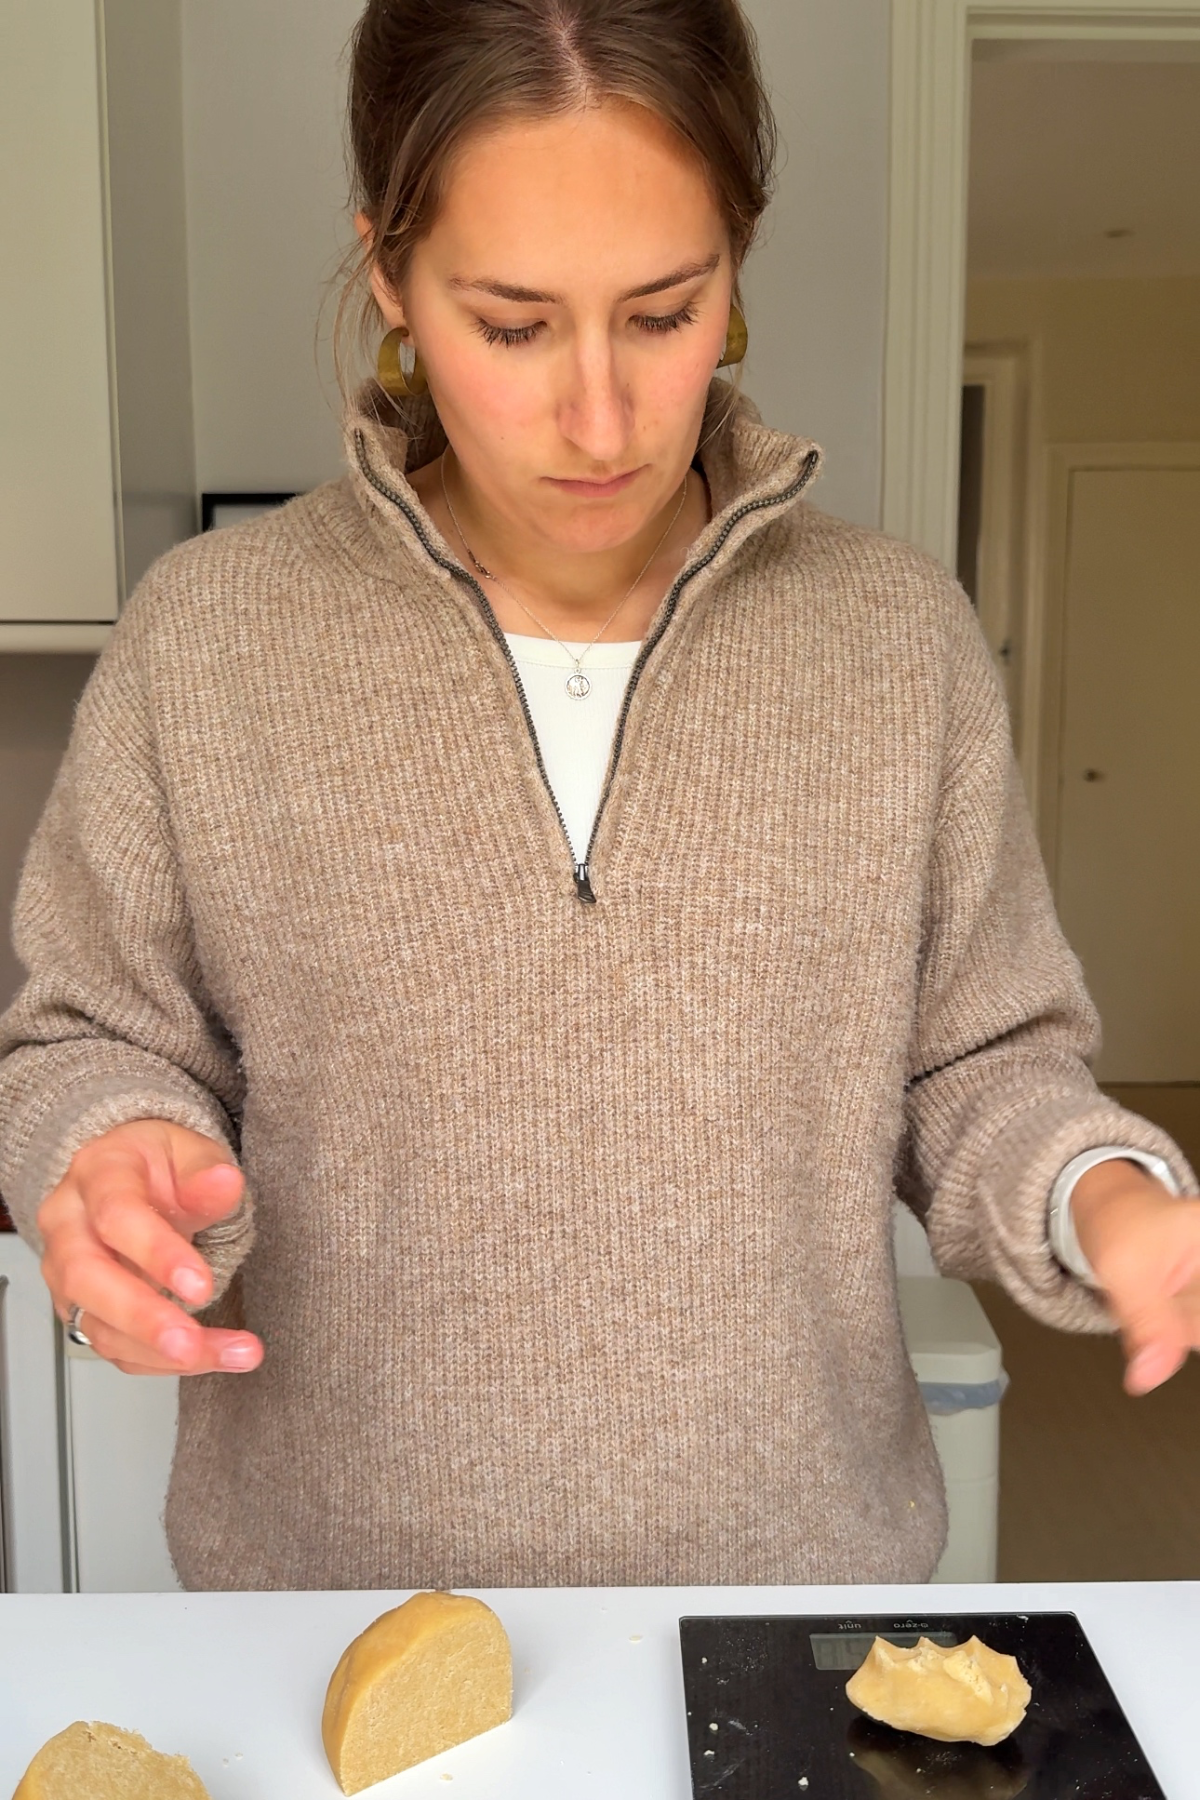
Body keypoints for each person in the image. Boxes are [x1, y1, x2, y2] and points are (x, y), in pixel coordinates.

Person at [1, 0, 1197, 1593]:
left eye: (662, 313)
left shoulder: (895, 644)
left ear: (737, 268)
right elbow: (93, 1033)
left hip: (799, 1606)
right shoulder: (212, 639)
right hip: (336, 1622)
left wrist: (1098, 1185)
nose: (599, 418)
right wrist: (110, 1150)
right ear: (389, 279)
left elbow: (978, 1065)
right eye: (510, 325)